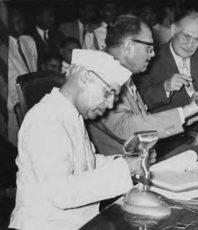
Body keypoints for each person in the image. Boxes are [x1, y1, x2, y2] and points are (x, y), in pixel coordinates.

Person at [9, 49, 141, 230]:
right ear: (85, 77)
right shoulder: (45, 120)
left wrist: (124, 162)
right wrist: (124, 169)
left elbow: (87, 164)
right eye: (108, 93)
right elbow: (61, 193)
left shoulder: (72, 115)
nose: (110, 104)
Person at [87, 15, 198, 156]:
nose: (153, 54)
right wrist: (186, 111)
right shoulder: (101, 74)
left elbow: (138, 115)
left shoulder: (119, 69)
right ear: (129, 46)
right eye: (149, 48)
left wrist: (182, 120)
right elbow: (124, 127)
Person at [136, 10, 198, 113]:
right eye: (186, 37)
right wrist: (165, 87)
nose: (190, 45)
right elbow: (138, 103)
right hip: (168, 126)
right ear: (173, 30)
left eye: (197, 40)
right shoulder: (151, 59)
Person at [7, 8, 38, 146]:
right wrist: (19, 105)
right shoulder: (4, 49)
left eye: (22, 20)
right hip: (15, 105)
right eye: (16, 21)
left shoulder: (28, 41)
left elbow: (34, 69)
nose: (21, 24)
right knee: (17, 143)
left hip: (34, 100)